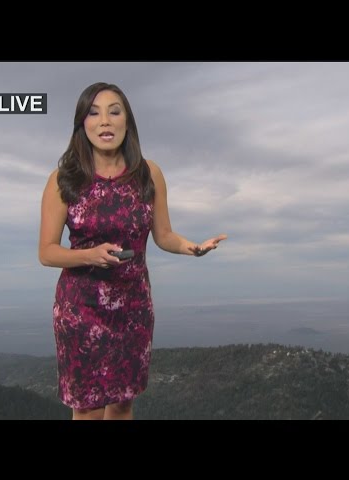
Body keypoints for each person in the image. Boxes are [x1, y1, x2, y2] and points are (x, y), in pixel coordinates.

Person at [38, 82, 227, 420]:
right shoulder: (63, 179)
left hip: (133, 308)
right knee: (88, 409)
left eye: (114, 112)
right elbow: (47, 252)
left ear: (128, 121)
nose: (105, 121)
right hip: (81, 310)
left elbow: (164, 235)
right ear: (82, 123)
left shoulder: (148, 174)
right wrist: (90, 255)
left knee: (123, 403)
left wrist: (193, 248)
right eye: (94, 113)